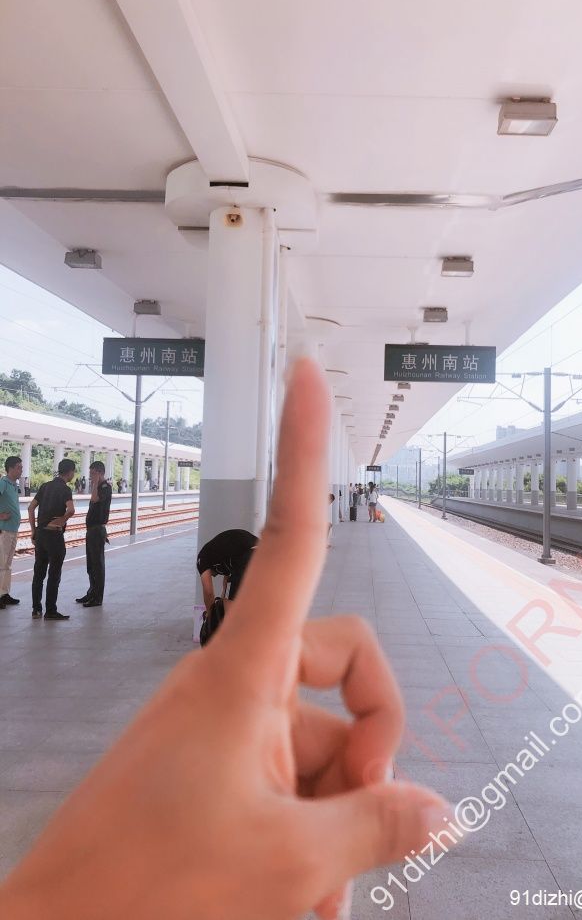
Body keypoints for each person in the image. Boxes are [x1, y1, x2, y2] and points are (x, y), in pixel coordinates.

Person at [0, 358, 448, 920]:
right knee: (233, 616)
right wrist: (217, 612)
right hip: (230, 568)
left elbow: (230, 588)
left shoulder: (236, 557)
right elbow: (213, 581)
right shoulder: (219, 556)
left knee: (236, 617)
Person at [28, 458, 76, 620]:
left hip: (41, 535)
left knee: (38, 574)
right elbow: (71, 510)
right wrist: (62, 520)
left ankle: (36, 610)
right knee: (54, 574)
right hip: (54, 536)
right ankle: (50, 611)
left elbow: (30, 508)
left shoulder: (45, 486)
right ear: (70, 472)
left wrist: (33, 531)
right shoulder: (65, 489)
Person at [75, 461, 112, 608]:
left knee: (97, 565)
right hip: (91, 530)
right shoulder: (98, 486)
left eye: (93, 473)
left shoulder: (105, 487)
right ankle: (91, 592)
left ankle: (97, 597)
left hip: (97, 530)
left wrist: (96, 483)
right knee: (90, 565)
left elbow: (95, 499)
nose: (90, 476)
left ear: (100, 472)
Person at [196, 529, 259, 615]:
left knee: (230, 608)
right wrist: (223, 596)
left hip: (249, 554)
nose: (213, 576)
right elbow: (227, 580)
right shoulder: (223, 558)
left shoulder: (202, 559)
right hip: (264, 550)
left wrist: (209, 615)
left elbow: (209, 593)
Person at [0, 455, 23, 608]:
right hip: (4, 530)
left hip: (12, 530)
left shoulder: (13, 485)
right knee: (1, 564)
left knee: (7, 565)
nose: (21, 470)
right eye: (19, 467)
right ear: (11, 468)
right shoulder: (3, 483)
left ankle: (4, 593)